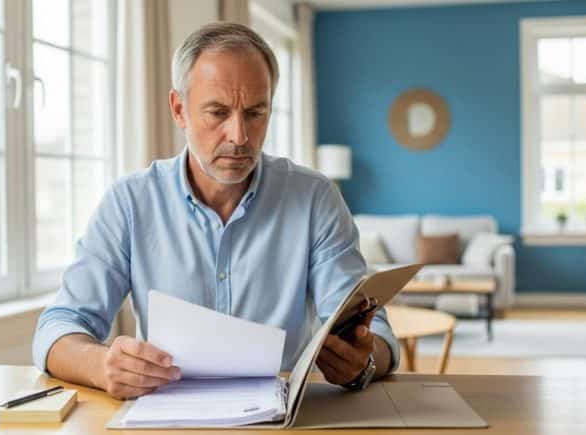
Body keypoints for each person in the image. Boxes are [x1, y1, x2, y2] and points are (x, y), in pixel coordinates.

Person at [32, 22, 399, 400]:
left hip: (283, 419)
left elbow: (378, 335)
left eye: (256, 113)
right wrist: (101, 364)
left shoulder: (315, 198)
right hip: (165, 418)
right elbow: (57, 328)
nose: (239, 136)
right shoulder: (130, 202)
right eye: (217, 112)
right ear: (179, 109)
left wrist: (364, 361)